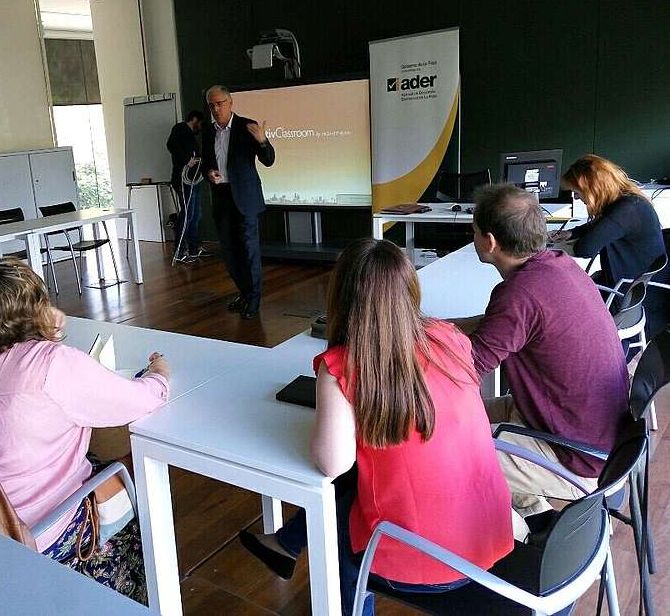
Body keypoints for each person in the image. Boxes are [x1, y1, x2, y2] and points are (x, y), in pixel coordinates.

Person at [240, 239, 514, 614]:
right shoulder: (448, 338)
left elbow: (332, 464)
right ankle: (285, 544)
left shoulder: (343, 365)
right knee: (366, 478)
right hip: (488, 536)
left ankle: (345, 598)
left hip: (425, 561)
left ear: (340, 298)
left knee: (337, 514)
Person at [0, 258, 169, 603]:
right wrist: (159, 374)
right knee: (135, 479)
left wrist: (44, 331)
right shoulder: (51, 364)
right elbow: (140, 401)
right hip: (41, 531)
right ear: (36, 309)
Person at [457, 183, 629, 520]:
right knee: (467, 416)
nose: (474, 237)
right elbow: (499, 324)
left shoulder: (518, 295)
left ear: (490, 242)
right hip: (589, 432)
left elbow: (464, 373)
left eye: (474, 231)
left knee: (450, 452)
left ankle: (518, 549)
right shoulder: (559, 266)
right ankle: (539, 522)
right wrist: (431, 326)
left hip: (576, 457)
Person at [552, 154, 667, 336]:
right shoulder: (628, 201)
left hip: (629, 297)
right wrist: (572, 233)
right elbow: (603, 225)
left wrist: (551, 248)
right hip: (635, 287)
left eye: (577, 192)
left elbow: (585, 249)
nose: (576, 196)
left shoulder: (627, 210)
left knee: (560, 299)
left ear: (593, 189)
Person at [201, 85, 275, 319]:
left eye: (220, 103)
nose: (216, 108)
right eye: (212, 105)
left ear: (231, 103)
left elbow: (269, 160)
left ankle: (254, 301)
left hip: (245, 199)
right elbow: (206, 163)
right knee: (230, 253)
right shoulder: (207, 132)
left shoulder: (246, 126)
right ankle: (244, 294)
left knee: (249, 252)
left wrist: (263, 141)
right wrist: (208, 173)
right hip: (222, 198)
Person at [167, 109, 206, 260]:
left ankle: (194, 249)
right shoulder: (180, 128)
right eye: (200, 123)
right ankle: (179, 251)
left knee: (196, 214)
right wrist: (186, 160)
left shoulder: (190, 135)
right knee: (188, 214)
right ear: (195, 119)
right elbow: (170, 144)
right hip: (182, 181)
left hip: (193, 180)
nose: (200, 127)